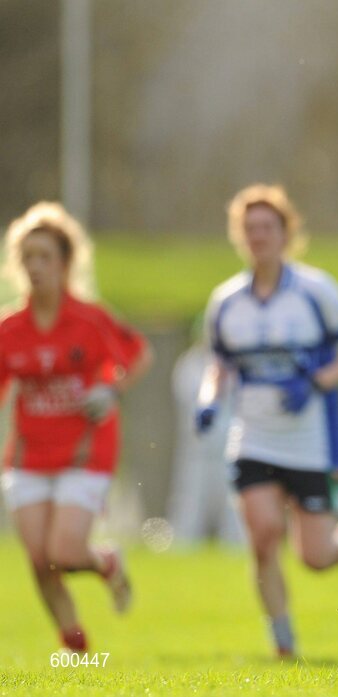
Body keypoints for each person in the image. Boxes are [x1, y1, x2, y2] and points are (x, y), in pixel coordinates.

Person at [196, 184, 338, 658]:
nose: (258, 236)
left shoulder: (316, 291)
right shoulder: (226, 302)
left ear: (285, 232)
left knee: (314, 557)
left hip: (309, 442)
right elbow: (218, 366)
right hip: (252, 438)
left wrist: (316, 382)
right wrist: (209, 402)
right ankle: (282, 639)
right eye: (249, 228)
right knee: (262, 535)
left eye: (267, 227)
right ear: (240, 235)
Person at [0, 202, 152, 653]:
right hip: (29, 457)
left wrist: (113, 390)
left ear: (65, 264)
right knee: (39, 559)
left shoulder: (89, 319)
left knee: (64, 552)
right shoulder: (10, 328)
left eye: (45, 257)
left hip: (85, 454)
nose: (35, 267)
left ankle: (105, 563)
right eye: (27, 258)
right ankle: (77, 652)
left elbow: (138, 353)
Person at [166, 318, 243, 546]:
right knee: (189, 502)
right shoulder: (190, 364)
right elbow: (191, 401)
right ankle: (184, 545)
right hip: (198, 449)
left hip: (231, 448)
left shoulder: (235, 364)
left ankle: (236, 546)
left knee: (234, 505)